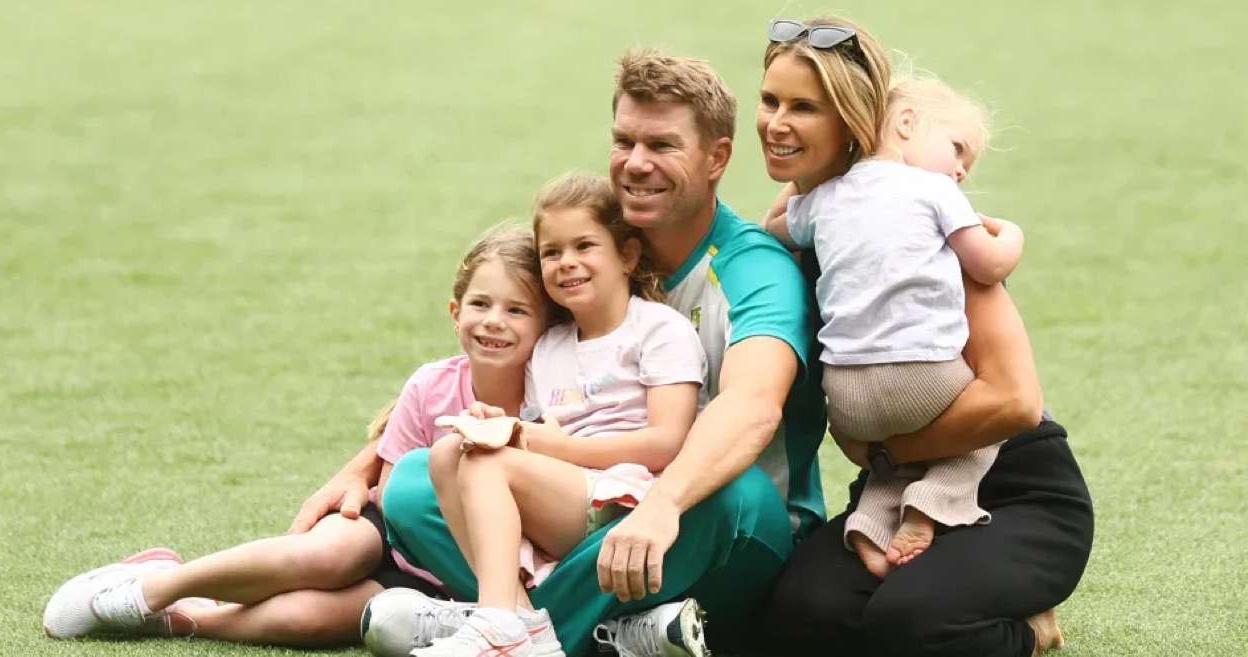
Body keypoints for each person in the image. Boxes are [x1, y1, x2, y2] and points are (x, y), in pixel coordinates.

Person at [366, 49, 826, 657]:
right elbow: (501, 354)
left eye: (661, 145)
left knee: (734, 497)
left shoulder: (752, 270)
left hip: (714, 526)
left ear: (716, 158)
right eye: (624, 141)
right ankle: (604, 634)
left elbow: (752, 407)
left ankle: (486, 622)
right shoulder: (587, 254)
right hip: (588, 508)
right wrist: (372, 454)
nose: (635, 164)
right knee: (415, 481)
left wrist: (662, 505)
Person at [751, 17, 1094, 657]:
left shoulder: (927, 236)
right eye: (770, 101)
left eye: (805, 107)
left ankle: (1026, 623)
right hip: (897, 480)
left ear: (855, 118)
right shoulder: (814, 223)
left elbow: (1015, 404)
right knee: (801, 618)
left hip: (1011, 482)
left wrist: (881, 444)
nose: (777, 122)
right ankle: (934, 566)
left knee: (912, 624)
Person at [41, 225, 553, 647]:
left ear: (547, 327)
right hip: (396, 536)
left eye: (516, 310)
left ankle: (183, 615)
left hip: (463, 578)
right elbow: (398, 498)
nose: (494, 322)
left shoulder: (549, 400)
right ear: (454, 311)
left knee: (313, 622)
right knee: (327, 556)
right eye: (481, 304)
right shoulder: (432, 384)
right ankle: (153, 585)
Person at [402, 173, 708, 657]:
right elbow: (541, 430)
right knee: (447, 454)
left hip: (629, 498)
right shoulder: (550, 347)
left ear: (626, 255)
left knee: (486, 461)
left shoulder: (658, 329)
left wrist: (541, 443)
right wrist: (494, 423)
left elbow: (667, 441)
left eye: (584, 246)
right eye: (552, 252)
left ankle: (500, 621)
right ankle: (522, 629)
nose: (567, 263)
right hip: (568, 490)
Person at [765, 74, 1029, 576]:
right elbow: (990, 266)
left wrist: (807, 184)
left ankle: (870, 520)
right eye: (957, 149)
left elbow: (773, 231)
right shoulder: (932, 190)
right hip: (922, 378)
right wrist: (1011, 233)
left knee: (898, 454)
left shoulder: (825, 199)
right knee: (980, 431)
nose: (959, 171)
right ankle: (931, 503)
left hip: (845, 399)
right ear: (906, 123)